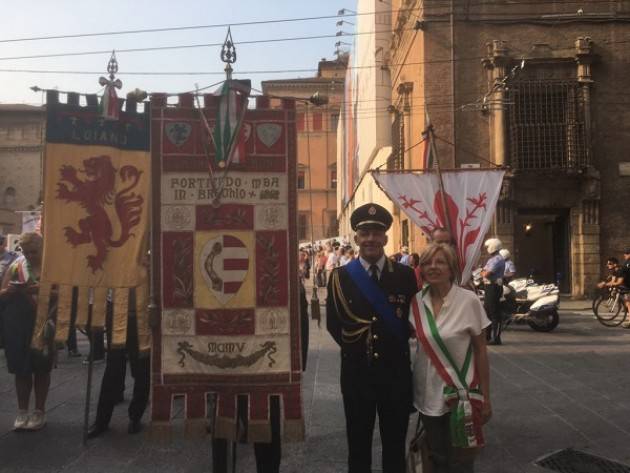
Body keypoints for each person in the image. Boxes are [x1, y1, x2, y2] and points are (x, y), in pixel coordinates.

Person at [326, 203, 418, 473]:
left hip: (395, 376)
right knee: (358, 449)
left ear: (386, 238)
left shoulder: (405, 275)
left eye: (377, 233)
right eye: (365, 233)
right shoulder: (340, 277)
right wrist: (360, 349)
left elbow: (413, 318)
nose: (370, 239)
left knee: (394, 448)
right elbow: (334, 324)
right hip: (357, 376)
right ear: (356, 238)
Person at [411, 242, 492, 473]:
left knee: (461, 461)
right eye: (426, 263)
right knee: (437, 457)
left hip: (461, 395)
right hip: (427, 394)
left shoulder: (469, 301)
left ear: (451, 267)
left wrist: (486, 398)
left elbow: (481, 351)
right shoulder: (416, 302)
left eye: (440, 262)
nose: (433, 267)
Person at [0, 232, 53, 431]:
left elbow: (65, 294)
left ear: (42, 248)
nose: (30, 256)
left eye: (34, 252)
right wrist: (10, 291)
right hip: (17, 321)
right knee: (21, 369)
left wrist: (42, 290)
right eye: (26, 252)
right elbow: (2, 293)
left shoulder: (52, 266)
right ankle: (22, 411)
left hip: (42, 321)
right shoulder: (16, 266)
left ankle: (39, 411)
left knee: (41, 367)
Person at [87, 286, 150, 438]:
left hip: (142, 312)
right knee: (113, 367)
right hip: (117, 311)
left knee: (142, 366)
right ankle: (102, 420)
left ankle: (136, 416)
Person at [481, 238, 505, 345]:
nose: (486, 249)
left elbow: (486, 273)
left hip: (494, 287)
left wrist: (483, 272)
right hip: (489, 287)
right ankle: (487, 336)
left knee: (494, 313)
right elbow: (483, 271)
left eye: (488, 247)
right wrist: (483, 272)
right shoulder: (492, 259)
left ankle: (496, 338)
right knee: (487, 312)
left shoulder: (497, 259)